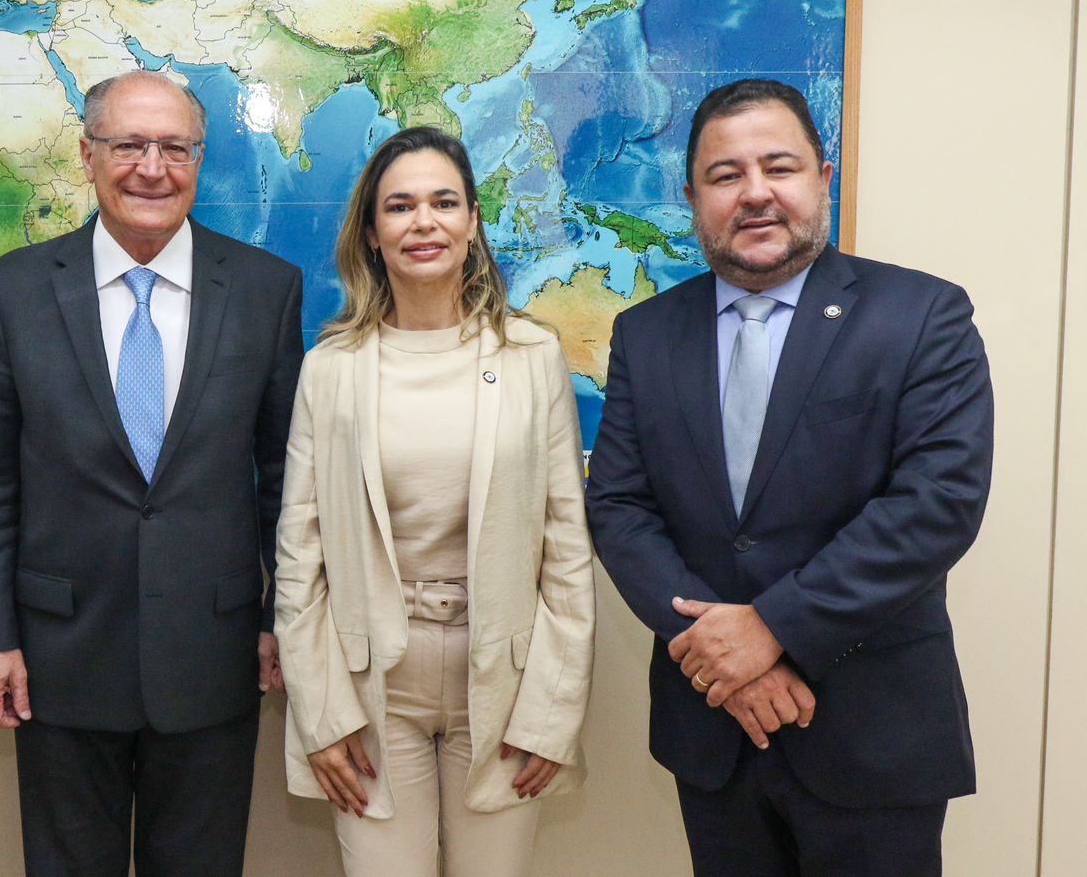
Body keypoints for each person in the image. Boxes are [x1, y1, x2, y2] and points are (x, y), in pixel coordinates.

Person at [585, 79, 994, 876]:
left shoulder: (922, 315)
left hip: (872, 734)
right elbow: (621, 507)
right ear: (692, 199)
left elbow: (937, 504)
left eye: (779, 167)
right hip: (714, 732)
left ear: (822, 177)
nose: (755, 193)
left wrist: (771, 629)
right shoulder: (646, 333)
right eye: (725, 175)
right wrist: (715, 653)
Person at [0, 70, 304, 877]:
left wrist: (281, 616)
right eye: (130, 145)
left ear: (199, 159)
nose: (153, 168)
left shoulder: (264, 291)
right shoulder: (13, 291)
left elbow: (287, 476)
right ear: (88, 155)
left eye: (175, 148)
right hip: (58, 658)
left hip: (212, 654)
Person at [273, 126, 595, 877]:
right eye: (401, 206)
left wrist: (551, 714)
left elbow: (566, 550)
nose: (424, 222)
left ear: (473, 221)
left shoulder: (531, 357)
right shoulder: (330, 368)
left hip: (505, 681)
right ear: (372, 233)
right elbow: (299, 559)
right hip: (372, 688)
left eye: (444, 203)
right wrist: (321, 716)